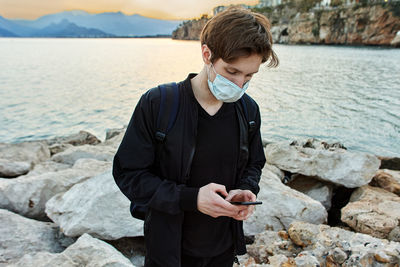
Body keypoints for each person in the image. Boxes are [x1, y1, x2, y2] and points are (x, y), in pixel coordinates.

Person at [113, 6, 279, 267]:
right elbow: (128, 175)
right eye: (231, 72)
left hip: (223, 249)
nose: (239, 85)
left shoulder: (248, 110)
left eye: (249, 76)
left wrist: (246, 190)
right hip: (169, 252)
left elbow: (254, 163)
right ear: (206, 54)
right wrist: (192, 199)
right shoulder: (158, 103)